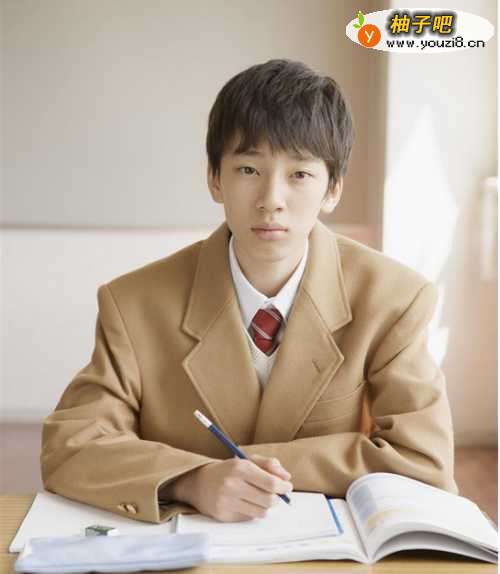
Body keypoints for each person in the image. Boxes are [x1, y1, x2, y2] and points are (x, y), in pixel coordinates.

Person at [41, 59, 457, 525]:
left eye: (299, 175)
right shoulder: (133, 303)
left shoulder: (395, 299)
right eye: (247, 169)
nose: (271, 199)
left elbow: (423, 461)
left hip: (326, 546)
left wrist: (247, 470)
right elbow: (71, 446)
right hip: (189, 543)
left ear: (333, 189)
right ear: (215, 179)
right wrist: (190, 480)